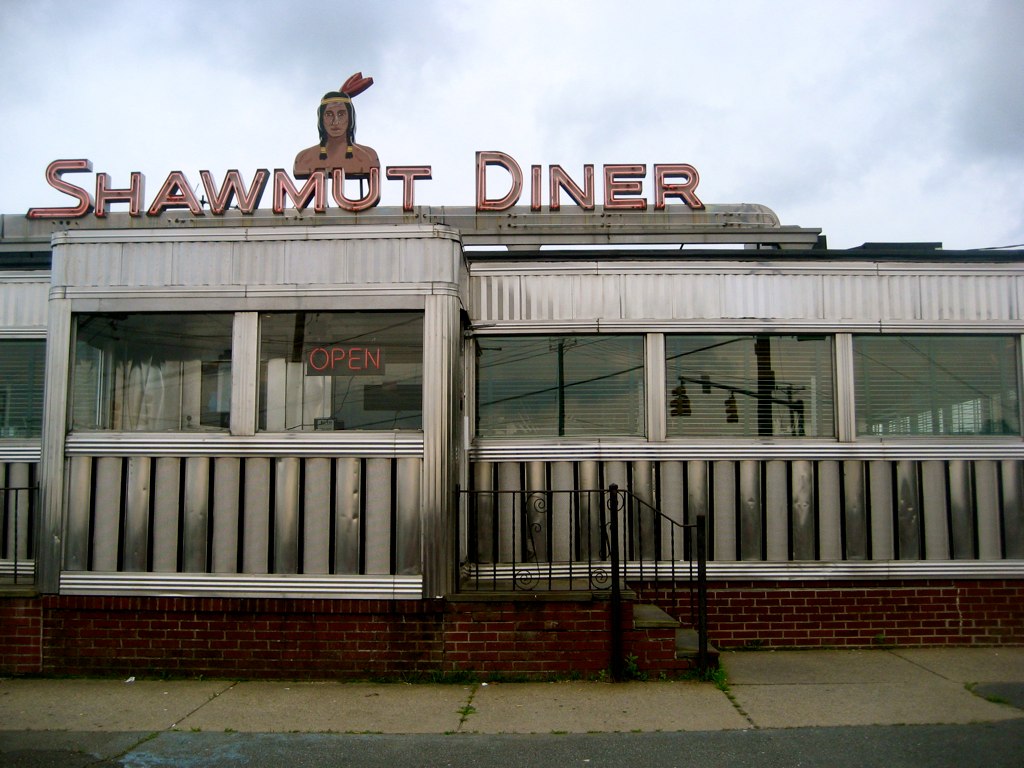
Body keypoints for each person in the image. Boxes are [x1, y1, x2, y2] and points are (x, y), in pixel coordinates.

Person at [293, 73, 379, 179]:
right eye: (329, 114)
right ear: (321, 119)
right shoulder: (303, 159)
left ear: (350, 118)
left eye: (341, 114)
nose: (335, 121)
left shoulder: (368, 156)